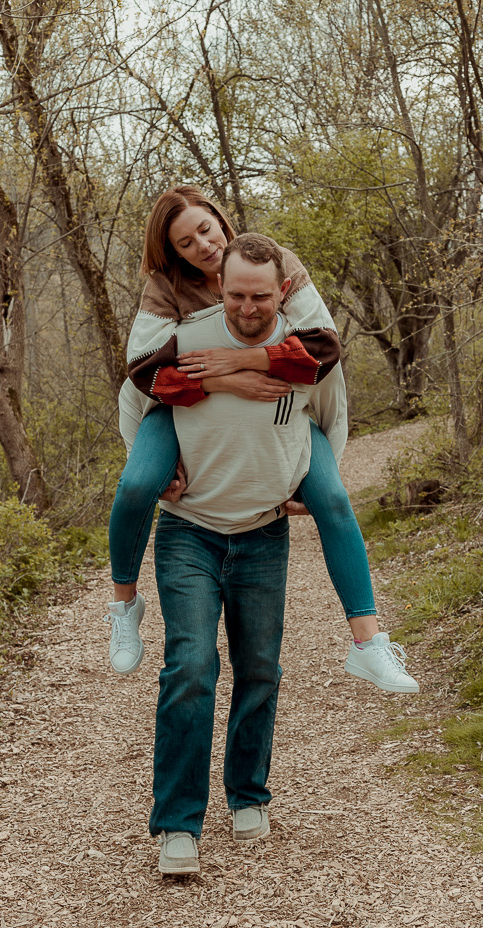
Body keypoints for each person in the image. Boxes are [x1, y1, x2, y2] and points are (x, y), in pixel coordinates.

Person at [108, 187, 417, 693]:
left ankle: (368, 643)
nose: (202, 246)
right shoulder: (166, 288)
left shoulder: (273, 260)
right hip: (185, 406)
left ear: (219, 218)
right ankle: (124, 605)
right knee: (138, 484)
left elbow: (323, 347)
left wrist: (244, 360)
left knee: (333, 499)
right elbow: (145, 371)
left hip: (280, 410)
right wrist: (224, 382)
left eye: (205, 229)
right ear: (173, 252)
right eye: (185, 243)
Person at [151, 232, 353, 873]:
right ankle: (178, 823)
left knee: (260, 669)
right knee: (190, 667)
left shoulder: (303, 348)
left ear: (282, 291)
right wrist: (157, 469)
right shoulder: (188, 339)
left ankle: (247, 793)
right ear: (220, 287)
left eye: (259, 296)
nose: (246, 306)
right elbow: (135, 401)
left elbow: (332, 414)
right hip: (188, 529)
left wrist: (311, 484)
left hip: (264, 532)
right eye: (235, 294)